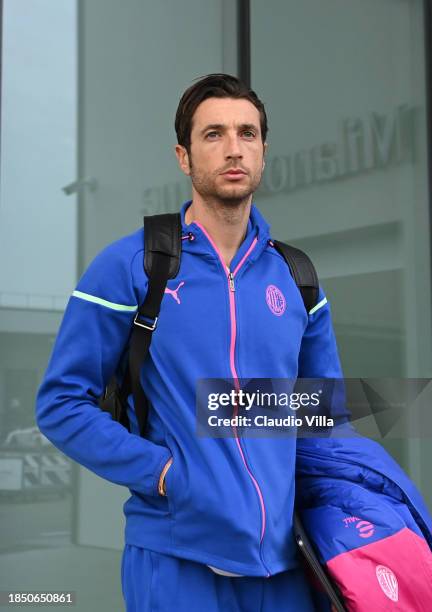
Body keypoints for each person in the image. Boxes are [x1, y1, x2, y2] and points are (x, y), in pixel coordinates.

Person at [36, 74, 344, 611]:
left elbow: (321, 418)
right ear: (183, 156)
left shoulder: (297, 277)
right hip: (177, 562)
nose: (233, 148)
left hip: (286, 568)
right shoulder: (133, 267)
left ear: (263, 153)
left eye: (247, 133)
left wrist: (344, 525)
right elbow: (61, 404)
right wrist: (166, 475)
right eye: (213, 134)